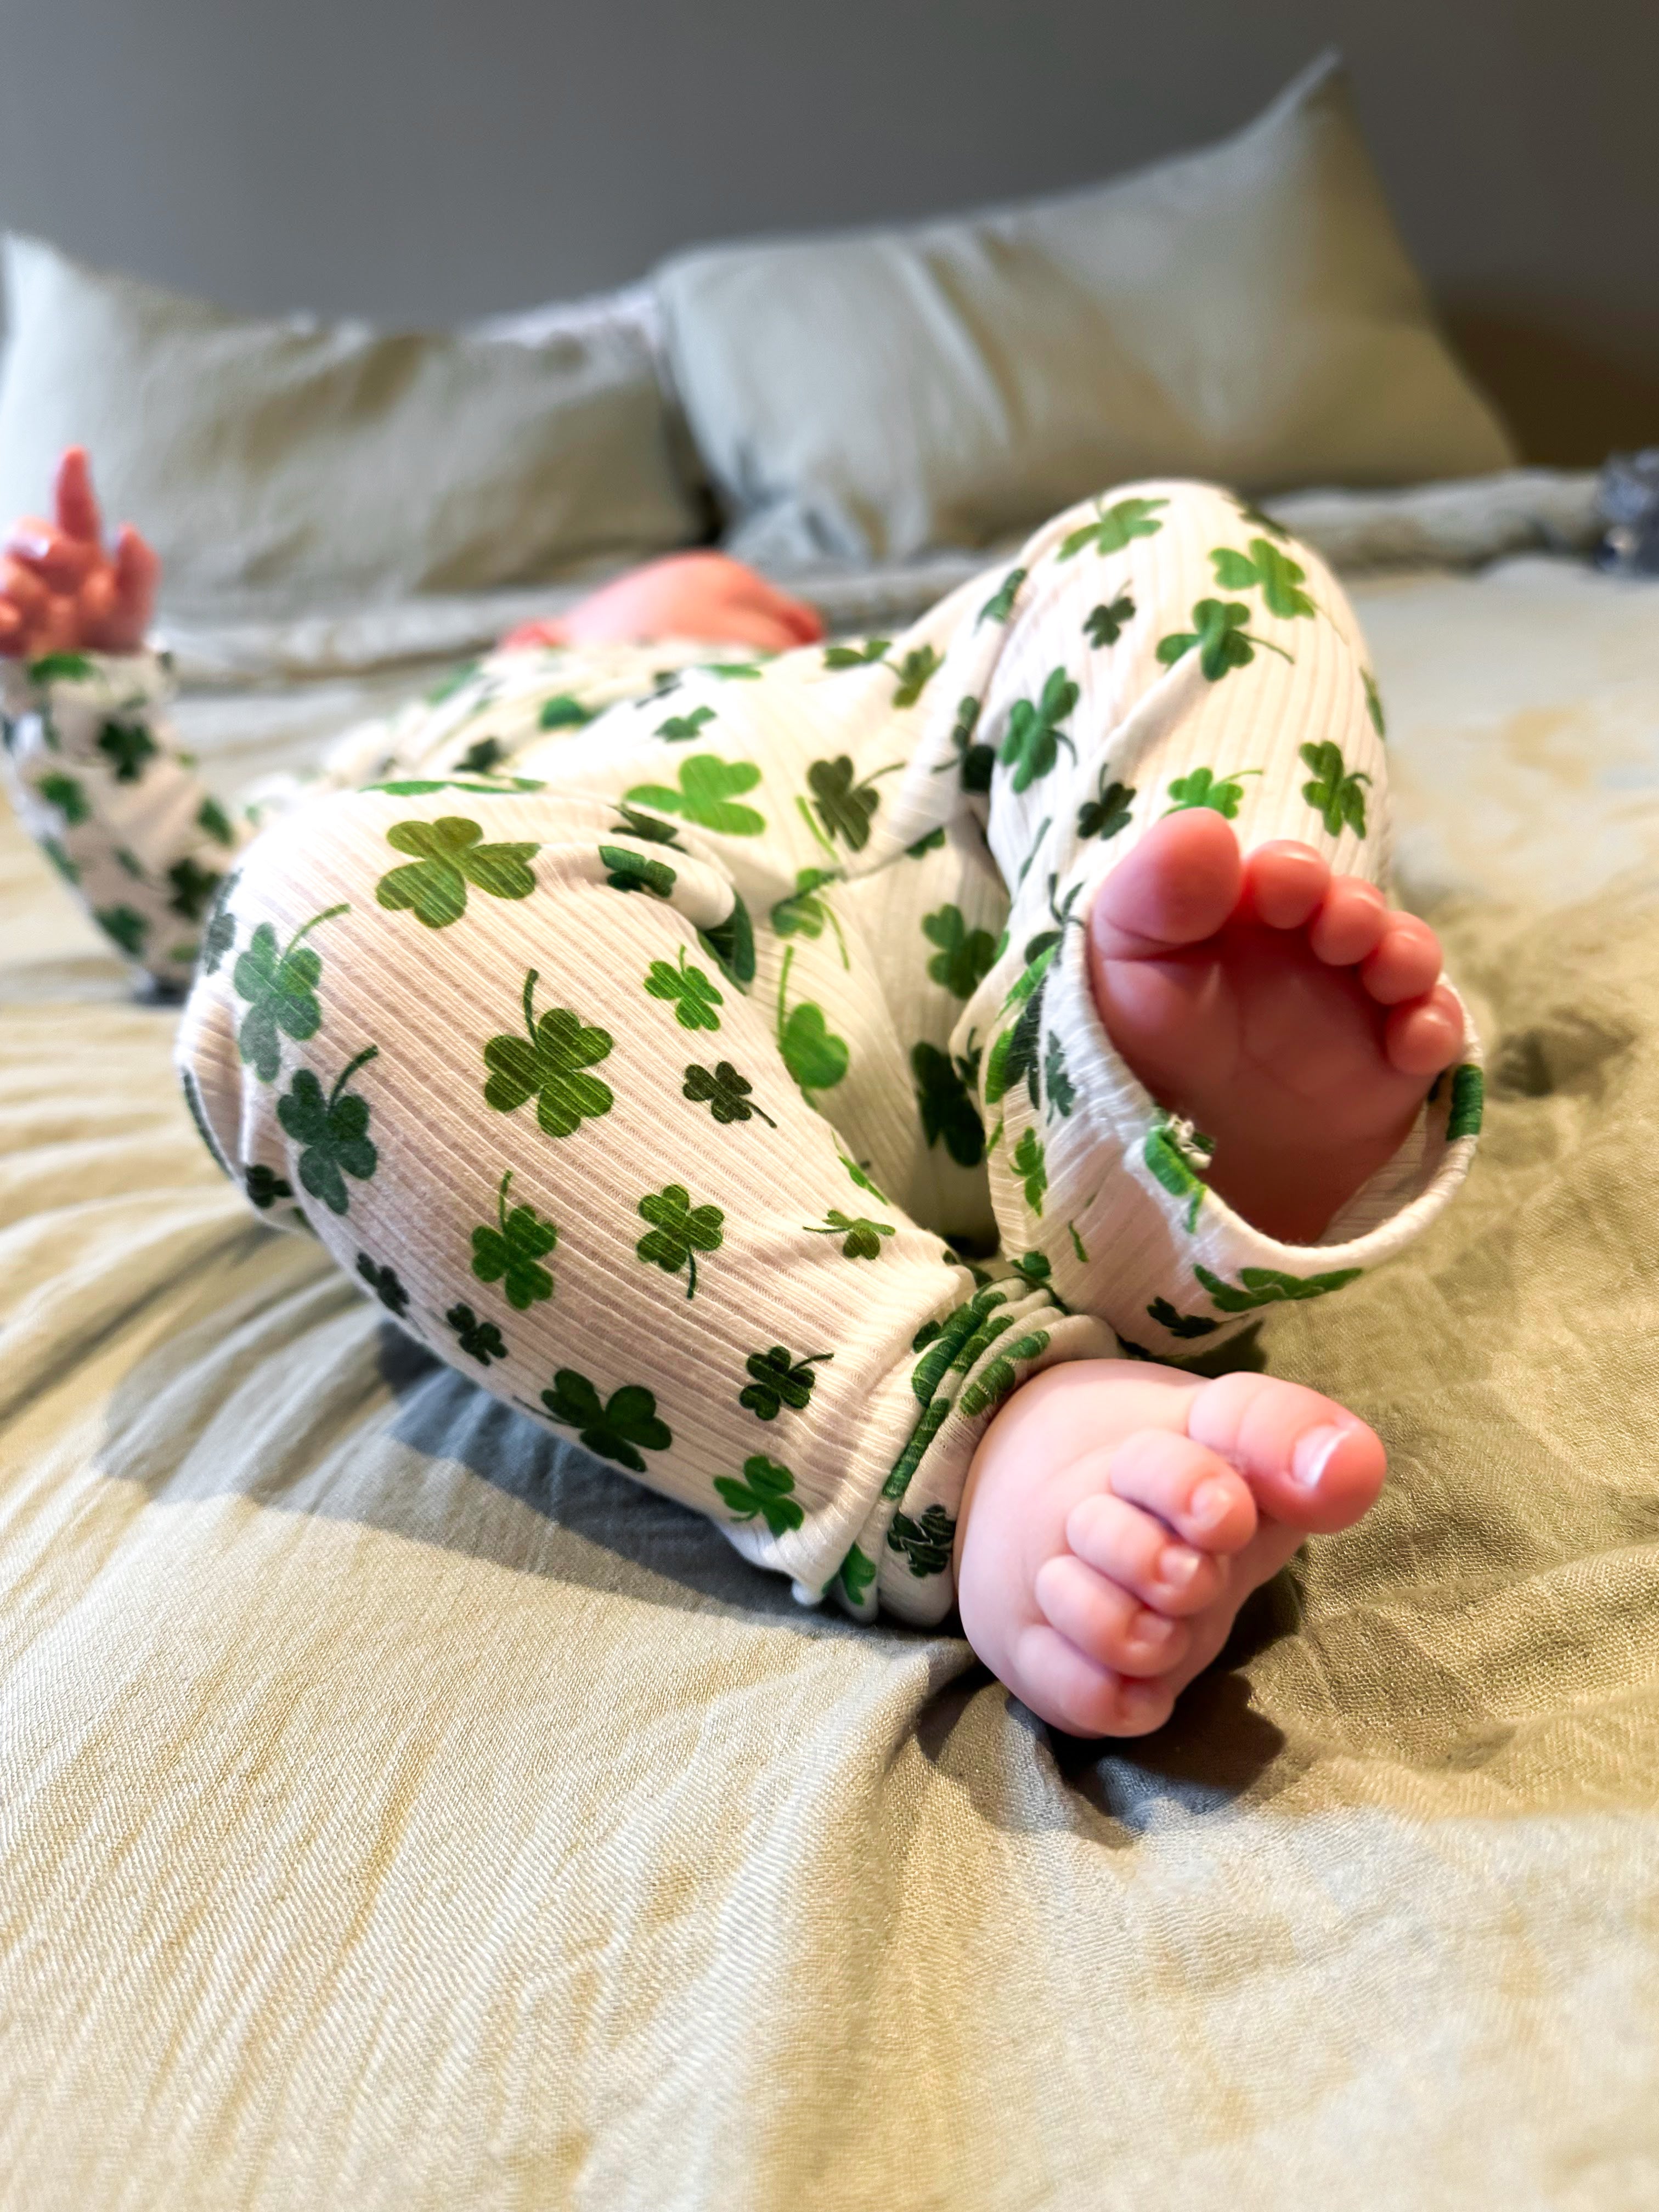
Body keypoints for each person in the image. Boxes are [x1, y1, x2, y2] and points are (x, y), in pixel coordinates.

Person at [0, 449, 1480, 1739]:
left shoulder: (864, 675)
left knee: (1176, 552)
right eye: (728, 590)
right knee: (309, 909)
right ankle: (969, 1419)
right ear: (539, 637)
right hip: (624, 1078)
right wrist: (82, 692)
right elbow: (178, 889)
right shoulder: (428, 739)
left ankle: (1149, 1105)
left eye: (795, 612)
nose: (786, 613)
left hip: (984, 926)